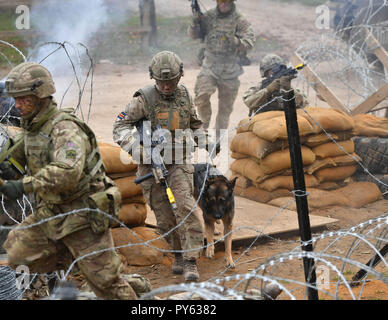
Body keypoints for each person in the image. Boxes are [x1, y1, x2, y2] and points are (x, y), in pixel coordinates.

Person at [0, 62, 141, 299]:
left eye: (24, 99)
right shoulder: (33, 129)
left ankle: (123, 283)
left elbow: (67, 172)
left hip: (81, 215)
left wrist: (24, 185)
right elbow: (17, 161)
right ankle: (76, 262)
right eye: (16, 99)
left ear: (41, 95)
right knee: (17, 252)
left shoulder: (64, 128)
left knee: (108, 285)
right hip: (51, 213)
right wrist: (2, 173)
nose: (18, 105)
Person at [113, 51, 217, 282]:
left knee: (186, 208)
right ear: (153, 78)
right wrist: (138, 150)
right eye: (161, 82)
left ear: (179, 78)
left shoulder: (185, 95)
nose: (167, 86)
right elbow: (119, 126)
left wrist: (206, 141)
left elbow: (195, 124)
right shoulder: (143, 99)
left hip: (178, 161)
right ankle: (177, 253)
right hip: (150, 165)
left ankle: (191, 260)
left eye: (170, 82)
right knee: (164, 216)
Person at [188, 0, 255, 131]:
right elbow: (194, 36)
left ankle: (218, 140)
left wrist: (236, 41)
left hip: (230, 69)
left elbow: (249, 42)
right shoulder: (209, 16)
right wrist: (194, 24)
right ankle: (204, 127)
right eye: (220, 1)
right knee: (202, 96)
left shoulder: (240, 20)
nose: (223, 4)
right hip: (210, 66)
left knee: (225, 109)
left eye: (226, 1)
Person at [243, 54, 309, 116]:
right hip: (264, 121)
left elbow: (304, 105)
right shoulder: (260, 87)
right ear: (265, 73)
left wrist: (288, 89)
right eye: (272, 70)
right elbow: (248, 102)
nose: (274, 73)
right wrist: (268, 90)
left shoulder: (289, 87)